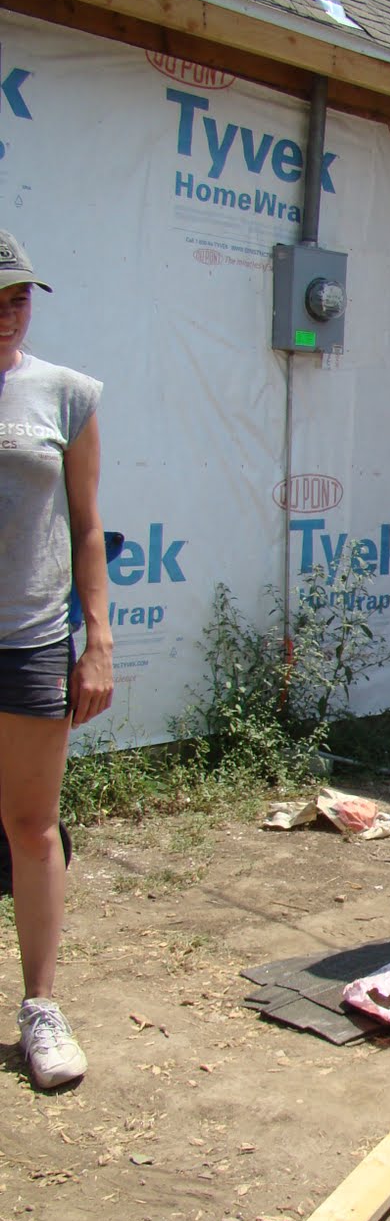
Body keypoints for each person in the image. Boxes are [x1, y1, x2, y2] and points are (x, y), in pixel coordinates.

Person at [0, 230, 113, 1089]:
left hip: (32, 639)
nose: (8, 312)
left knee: (33, 828)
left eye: (19, 296)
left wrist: (97, 637)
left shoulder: (66, 394)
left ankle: (41, 1009)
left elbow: (84, 524)